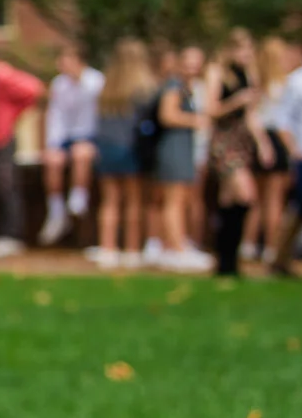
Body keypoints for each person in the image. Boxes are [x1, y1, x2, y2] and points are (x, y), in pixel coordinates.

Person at [86, 38, 158, 269]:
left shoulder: (106, 89)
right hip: (130, 149)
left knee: (109, 201)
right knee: (133, 202)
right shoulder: (144, 91)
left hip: (106, 149)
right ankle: (132, 250)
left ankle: (108, 249)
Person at [0, 54, 44, 259]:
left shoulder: (3, 79)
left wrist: (5, 73)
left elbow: (34, 89)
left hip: (4, 142)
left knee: (8, 188)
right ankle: (1, 233)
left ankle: (13, 236)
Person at [206, 29, 262, 277]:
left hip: (241, 139)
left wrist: (263, 143)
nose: (246, 54)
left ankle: (227, 263)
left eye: (249, 49)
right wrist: (236, 101)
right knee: (246, 193)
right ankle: (227, 258)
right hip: (224, 139)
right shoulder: (218, 72)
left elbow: (251, 116)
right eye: (241, 49)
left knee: (229, 200)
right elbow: (211, 109)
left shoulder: (249, 74)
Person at [266, 32, 302, 277]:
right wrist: (294, 151)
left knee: (300, 209)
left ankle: (279, 259)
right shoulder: (298, 81)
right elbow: (282, 121)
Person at [151, 45, 212, 271]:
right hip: (172, 147)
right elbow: (167, 115)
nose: (192, 67)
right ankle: (176, 249)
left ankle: (176, 244)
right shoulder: (174, 85)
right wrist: (196, 120)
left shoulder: (187, 87)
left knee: (181, 198)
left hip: (184, 147)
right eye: (188, 62)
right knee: (173, 199)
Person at [39, 46, 104, 245]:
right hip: (66, 137)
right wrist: (52, 145)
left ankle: (79, 198)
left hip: (90, 136)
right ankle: (57, 212)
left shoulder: (96, 82)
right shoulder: (59, 84)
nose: (61, 63)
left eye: (65, 58)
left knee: (81, 154)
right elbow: (55, 117)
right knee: (52, 161)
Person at [250, 35, 295, 262]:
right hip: (274, 139)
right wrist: (266, 144)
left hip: (263, 140)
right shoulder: (280, 83)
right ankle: (270, 246)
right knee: (273, 198)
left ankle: (250, 245)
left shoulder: (262, 81)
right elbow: (257, 117)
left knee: (260, 197)